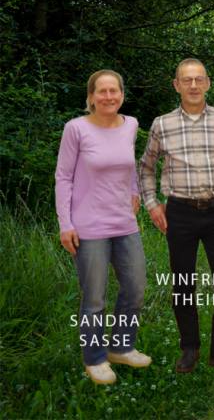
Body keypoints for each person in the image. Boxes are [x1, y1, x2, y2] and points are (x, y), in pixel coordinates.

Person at [138, 58, 214, 375]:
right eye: (186, 80)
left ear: (207, 83)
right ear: (176, 85)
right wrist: (151, 203)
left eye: (198, 79)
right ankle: (189, 349)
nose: (193, 85)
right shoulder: (162, 125)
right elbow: (146, 167)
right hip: (179, 214)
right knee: (183, 284)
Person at [55, 69, 151, 385]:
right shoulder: (76, 129)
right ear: (91, 97)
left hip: (125, 222)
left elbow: (130, 163)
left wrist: (135, 190)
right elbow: (63, 177)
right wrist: (65, 224)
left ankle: (121, 347)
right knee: (94, 299)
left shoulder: (132, 125)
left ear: (122, 94)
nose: (109, 97)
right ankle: (94, 358)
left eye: (114, 91)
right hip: (88, 227)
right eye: (102, 91)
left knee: (135, 287)